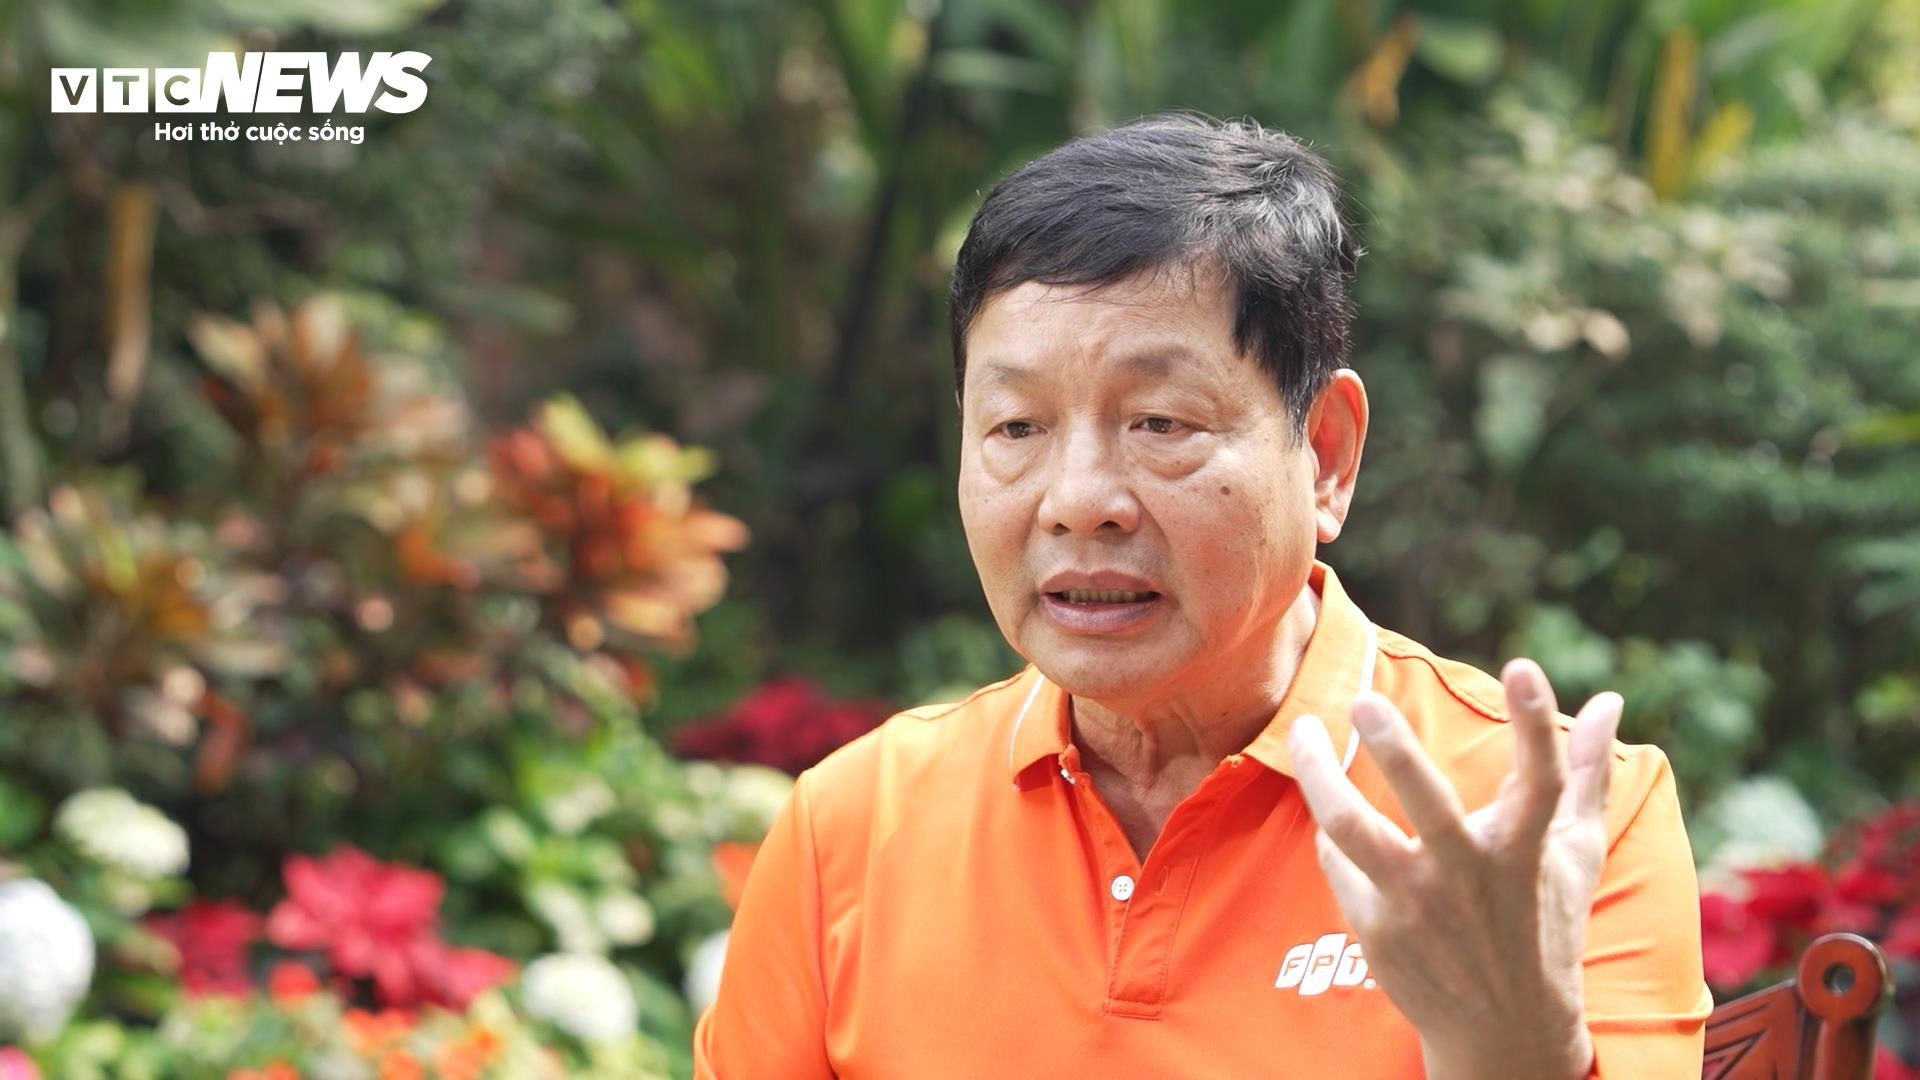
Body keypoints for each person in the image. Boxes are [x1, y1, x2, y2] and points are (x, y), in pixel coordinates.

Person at [693, 111, 1710, 1078]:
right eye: (1017, 428)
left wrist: (1508, 1043)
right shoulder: (848, 828)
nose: (1077, 502)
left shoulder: (1553, 827)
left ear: (1325, 454)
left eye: (1161, 422)